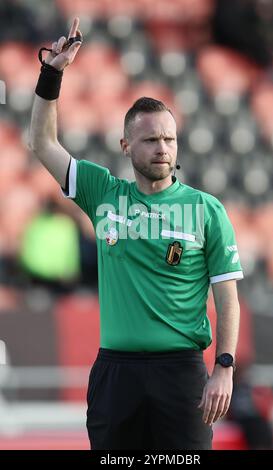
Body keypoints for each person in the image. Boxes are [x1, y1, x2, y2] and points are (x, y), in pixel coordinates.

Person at [29, 18, 243, 450]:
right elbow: (41, 142)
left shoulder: (206, 209)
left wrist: (224, 366)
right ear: (127, 146)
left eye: (169, 139)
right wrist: (52, 72)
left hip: (181, 372)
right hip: (116, 373)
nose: (162, 149)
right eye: (150, 141)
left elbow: (227, 296)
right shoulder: (102, 192)